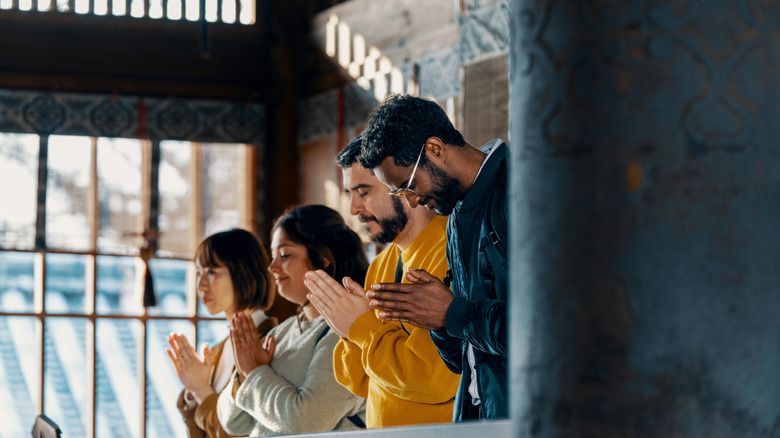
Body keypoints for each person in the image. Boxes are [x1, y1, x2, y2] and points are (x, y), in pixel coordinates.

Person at [357, 94, 509, 421]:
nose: (411, 202)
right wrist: (435, 319)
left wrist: (452, 311)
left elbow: (552, 331)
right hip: (478, 419)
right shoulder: (454, 219)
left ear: (435, 149)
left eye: (408, 186)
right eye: (400, 194)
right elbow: (464, 359)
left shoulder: (519, 195)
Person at [305, 134, 459, 427]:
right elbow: (358, 381)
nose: (353, 209)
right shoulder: (381, 264)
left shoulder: (450, 250)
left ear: (401, 183)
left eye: (363, 192)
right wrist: (348, 329)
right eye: (350, 194)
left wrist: (361, 327)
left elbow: (433, 379)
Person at [216, 205, 368, 436]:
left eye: (285, 255)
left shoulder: (346, 333)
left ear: (325, 257)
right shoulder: (280, 333)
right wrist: (243, 374)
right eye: (273, 255)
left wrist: (254, 371)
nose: (272, 267)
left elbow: (307, 421)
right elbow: (233, 423)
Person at [166, 228, 278, 438]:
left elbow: (242, 432)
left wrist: (201, 389)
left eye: (211, 272)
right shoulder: (219, 350)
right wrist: (193, 389)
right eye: (199, 273)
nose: (201, 285)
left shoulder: (271, 343)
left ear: (243, 273)